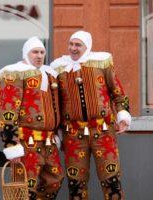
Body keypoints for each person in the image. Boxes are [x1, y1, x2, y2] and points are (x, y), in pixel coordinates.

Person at [51, 31, 131, 200]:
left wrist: (123, 115)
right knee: (76, 184)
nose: (73, 48)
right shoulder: (59, 69)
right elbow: (54, 104)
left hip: (103, 132)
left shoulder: (101, 64)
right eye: (71, 44)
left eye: (78, 45)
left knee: (112, 180)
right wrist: (54, 130)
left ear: (87, 46)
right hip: (73, 135)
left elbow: (117, 92)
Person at [0, 36, 64, 200]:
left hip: (49, 142)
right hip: (26, 142)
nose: (39, 56)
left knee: (55, 180)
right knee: (25, 185)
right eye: (35, 52)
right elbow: (7, 112)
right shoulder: (14, 74)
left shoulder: (49, 74)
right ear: (26, 53)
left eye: (42, 52)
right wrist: (12, 145)